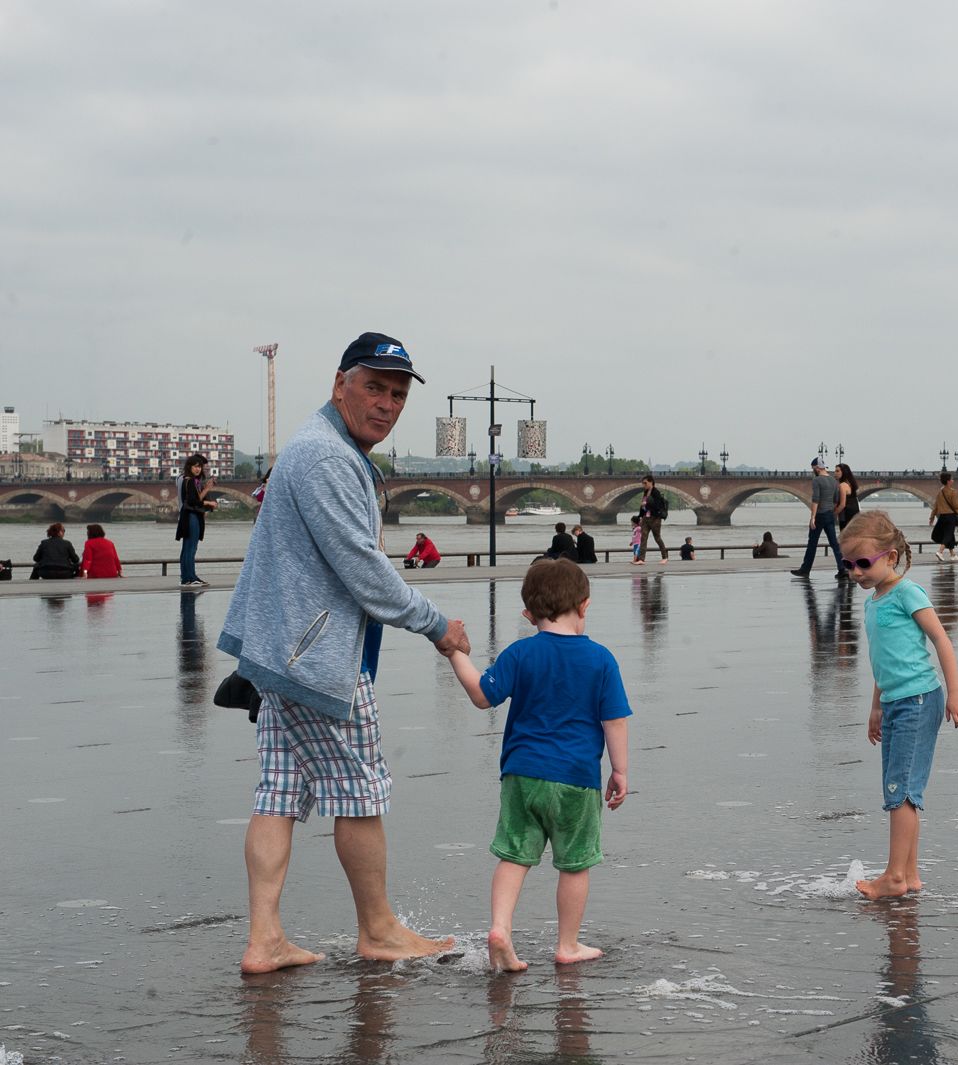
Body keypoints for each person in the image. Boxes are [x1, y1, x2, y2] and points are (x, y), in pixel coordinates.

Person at [218, 330, 470, 974]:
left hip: (283, 652)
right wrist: (436, 624)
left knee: (279, 790)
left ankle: (265, 938)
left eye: (397, 394)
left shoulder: (318, 448)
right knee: (361, 791)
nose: (387, 404)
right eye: (374, 388)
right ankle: (379, 930)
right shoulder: (327, 458)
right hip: (314, 657)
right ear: (340, 384)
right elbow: (362, 569)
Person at [444, 559, 631, 970]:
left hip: (522, 774)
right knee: (575, 864)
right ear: (584, 605)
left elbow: (481, 695)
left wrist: (455, 652)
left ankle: (500, 929)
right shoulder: (601, 660)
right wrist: (619, 771)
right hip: (576, 780)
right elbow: (613, 719)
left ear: (528, 614)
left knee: (514, 856)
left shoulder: (520, 653)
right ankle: (567, 945)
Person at [837, 511, 958, 900]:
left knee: (901, 792)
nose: (856, 572)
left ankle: (894, 876)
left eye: (864, 563)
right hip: (895, 702)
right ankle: (908, 873)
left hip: (919, 700)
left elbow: (941, 640)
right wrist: (875, 707)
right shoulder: (874, 602)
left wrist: (956, 692)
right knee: (903, 790)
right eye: (848, 564)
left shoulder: (907, 593)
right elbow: (884, 661)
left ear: (890, 557)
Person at [792, 456, 849, 581]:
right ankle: (842, 568)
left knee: (812, 543)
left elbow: (816, 499)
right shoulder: (834, 481)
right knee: (834, 543)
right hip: (830, 515)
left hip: (819, 515)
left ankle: (805, 570)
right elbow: (836, 500)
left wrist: (812, 517)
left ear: (817, 468)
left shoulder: (817, 481)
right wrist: (832, 512)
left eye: (813, 468)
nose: (813, 471)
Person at [176, 453, 216, 586]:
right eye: (196, 466)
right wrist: (208, 503)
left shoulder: (189, 480)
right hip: (191, 516)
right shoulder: (190, 480)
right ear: (190, 467)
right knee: (191, 548)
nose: (198, 469)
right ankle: (190, 577)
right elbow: (193, 501)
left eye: (200, 467)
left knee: (187, 547)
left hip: (187, 515)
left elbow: (195, 498)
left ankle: (186, 577)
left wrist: (206, 489)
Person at [928, 471, 958, 564]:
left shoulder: (940, 492)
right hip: (950, 516)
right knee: (948, 534)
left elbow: (936, 506)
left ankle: (953, 555)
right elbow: (956, 506)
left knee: (949, 534)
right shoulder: (953, 492)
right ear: (948, 481)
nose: (953, 481)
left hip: (942, 516)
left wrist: (932, 517)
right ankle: (940, 551)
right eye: (952, 479)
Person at [637, 476, 670, 563]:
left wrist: (646, 504)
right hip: (645, 518)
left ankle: (665, 557)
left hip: (655, 518)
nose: (644, 485)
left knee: (657, 538)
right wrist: (640, 516)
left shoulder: (656, 493)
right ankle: (641, 559)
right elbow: (642, 506)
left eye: (645, 483)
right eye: (643, 483)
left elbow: (657, 506)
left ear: (651, 482)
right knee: (643, 538)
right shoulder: (645, 492)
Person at [835, 463, 861, 531]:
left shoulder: (842, 485)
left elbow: (842, 504)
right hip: (854, 514)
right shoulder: (851, 484)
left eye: (837, 471)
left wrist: (833, 514)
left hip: (845, 516)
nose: (835, 473)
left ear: (843, 472)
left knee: (844, 537)